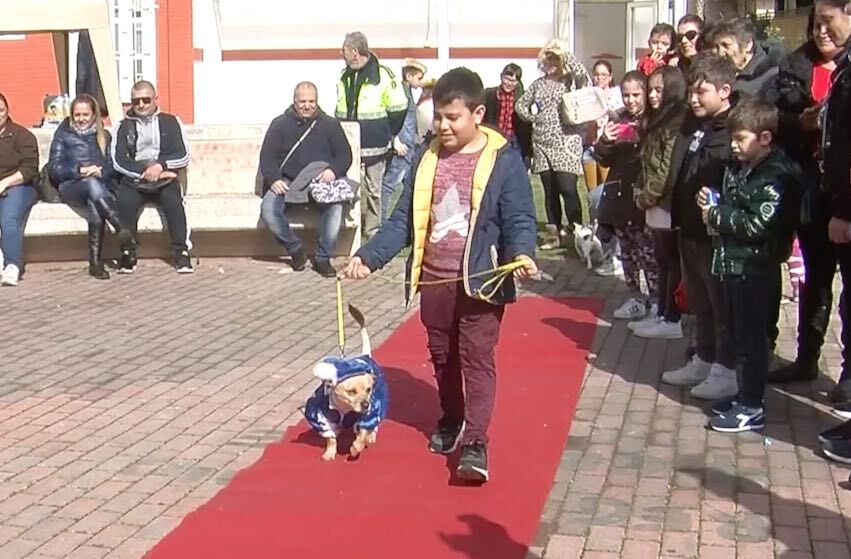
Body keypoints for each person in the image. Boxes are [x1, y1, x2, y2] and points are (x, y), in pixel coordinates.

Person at [343, 67, 538, 483]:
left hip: (482, 283)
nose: (443, 126)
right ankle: (452, 417)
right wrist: (369, 257)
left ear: (478, 114)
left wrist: (522, 253)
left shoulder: (504, 159)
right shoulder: (425, 156)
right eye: (438, 117)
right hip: (434, 280)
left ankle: (476, 443)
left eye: (453, 117)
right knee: (443, 357)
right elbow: (402, 220)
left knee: (476, 358)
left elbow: (519, 217)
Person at [698, 97, 801, 432]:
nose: (733, 145)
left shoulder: (776, 175)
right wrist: (713, 201)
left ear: (765, 138)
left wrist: (717, 214)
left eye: (741, 138)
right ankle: (745, 394)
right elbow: (735, 203)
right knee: (738, 335)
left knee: (752, 340)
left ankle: (752, 405)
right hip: (734, 264)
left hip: (755, 268)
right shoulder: (741, 167)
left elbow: (758, 224)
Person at [766, 7, 845, 389]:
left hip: (845, 190)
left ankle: (847, 375)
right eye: (816, 25)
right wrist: (801, 122)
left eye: (829, 24)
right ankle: (806, 358)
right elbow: (773, 119)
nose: (821, 32)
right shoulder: (795, 65)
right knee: (815, 279)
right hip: (810, 189)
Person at [661, 54, 738, 401]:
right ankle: (704, 359)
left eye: (701, 92)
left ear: (724, 91)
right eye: (691, 91)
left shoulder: (732, 130)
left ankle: (726, 368)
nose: (693, 99)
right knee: (700, 302)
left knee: (721, 305)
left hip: (714, 234)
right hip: (689, 228)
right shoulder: (698, 126)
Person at [258, 82, 354, 277]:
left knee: (335, 208)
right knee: (268, 209)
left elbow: (345, 155)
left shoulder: (330, 125)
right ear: (294, 101)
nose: (307, 106)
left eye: (311, 101)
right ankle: (295, 250)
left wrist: (333, 171)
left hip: (321, 182)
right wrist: (274, 179)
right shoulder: (279, 124)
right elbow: (267, 157)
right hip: (288, 182)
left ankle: (322, 258)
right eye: (303, 101)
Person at [48, 94, 136, 279]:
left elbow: (114, 166)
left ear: (93, 115)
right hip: (71, 187)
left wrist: (100, 172)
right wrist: (80, 170)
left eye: (85, 114)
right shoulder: (63, 134)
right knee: (90, 184)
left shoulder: (104, 136)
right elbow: (54, 168)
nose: (81, 119)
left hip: (99, 188)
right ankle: (120, 227)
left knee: (94, 201)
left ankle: (95, 263)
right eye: (77, 115)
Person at [594, 71, 659, 322]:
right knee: (628, 253)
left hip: (644, 197)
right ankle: (635, 297)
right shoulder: (617, 118)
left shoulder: (654, 120)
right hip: (620, 197)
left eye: (636, 95)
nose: (631, 100)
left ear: (645, 93)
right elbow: (604, 159)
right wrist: (605, 141)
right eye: (626, 95)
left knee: (649, 254)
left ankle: (657, 301)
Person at [516, 39, 592, 250]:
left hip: (566, 141)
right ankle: (554, 234)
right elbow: (520, 105)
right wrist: (533, 118)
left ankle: (577, 232)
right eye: (547, 59)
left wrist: (564, 54)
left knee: (568, 189)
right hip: (542, 142)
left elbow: (583, 75)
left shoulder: (570, 81)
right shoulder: (538, 84)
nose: (551, 63)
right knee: (549, 192)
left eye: (555, 59)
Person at [632, 66, 688, 340]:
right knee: (662, 259)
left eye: (658, 90)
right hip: (653, 200)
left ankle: (672, 316)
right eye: (650, 90)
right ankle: (662, 312)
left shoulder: (677, 121)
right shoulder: (655, 120)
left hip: (667, 201)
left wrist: (647, 196)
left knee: (671, 260)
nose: (652, 96)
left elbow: (667, 168)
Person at [112, 80, 192, 274]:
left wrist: (160, 167)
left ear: (155, 99)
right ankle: (128, 253)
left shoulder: (171, 122)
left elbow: (183, 154)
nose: (141, 105)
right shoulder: (122, 126)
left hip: (165, 177)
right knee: (124, 202)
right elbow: (118, 160)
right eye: (136, 101)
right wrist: (145, 173)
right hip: (135, 179)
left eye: (146, 100)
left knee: (174, 202)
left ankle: (181, 252)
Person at [335, 31, 409, 238]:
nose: (341, 54)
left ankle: (373, 229)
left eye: (344, 50)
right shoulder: (345, 75)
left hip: (375, 143)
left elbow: (399, 108)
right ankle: (350, 226)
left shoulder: (383, 75)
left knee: (374, 189)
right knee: (348, 186)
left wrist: (388, 133)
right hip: (349, 142)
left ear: (355, 51)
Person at [380, 59, 426, 224]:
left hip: (410, 147)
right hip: (402, 148)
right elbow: (393, 118)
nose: (421, 82)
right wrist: (396, 141)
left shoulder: (408, 93)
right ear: (409, 76)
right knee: (389, 185)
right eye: (419, 78)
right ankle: (381, 221)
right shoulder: (400, 95)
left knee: (411, 185)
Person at [0, 92, 38, 286]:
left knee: (9, 218)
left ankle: (12, 265)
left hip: (20, 185)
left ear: (7, 111)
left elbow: (30, 169)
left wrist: (5, 182)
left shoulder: (22, 136)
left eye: (1, 110)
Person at [710, 17, 782, 98]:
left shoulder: (772, 76)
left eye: (726, 45)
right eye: (716, 47)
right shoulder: (715, 73)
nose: (720, 53)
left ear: (747, 45)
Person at [582, 60, 623, 191]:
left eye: (603, 75)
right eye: (597, 74)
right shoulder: (587, 95)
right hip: (589, 146)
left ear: (610, 77)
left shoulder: (616, 95)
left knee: (606, 189)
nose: (599, 78)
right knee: (592, 192)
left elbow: (619, 118)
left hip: (607, 148)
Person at [483, 63, 532, 163]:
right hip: (494, 139)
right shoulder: (489, 94)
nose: (509, 83)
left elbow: (527, 122)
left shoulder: (523, 98)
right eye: (507, 79)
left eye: (513, 81)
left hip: (514, 141)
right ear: (501, 77)